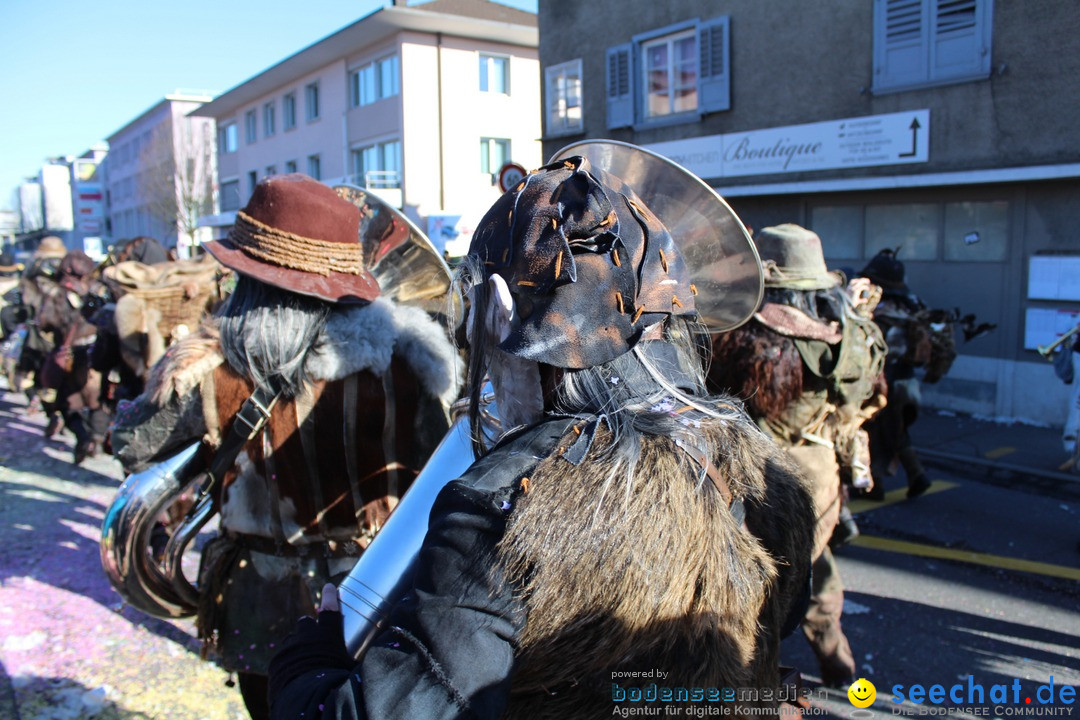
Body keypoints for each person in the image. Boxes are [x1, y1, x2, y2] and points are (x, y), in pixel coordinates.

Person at [267, 154, 816, 718]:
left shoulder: (505, 504)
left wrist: (305, 663)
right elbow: (782, 613)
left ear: (500, 312)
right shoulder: (767, 466)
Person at [109, 174, 462, 720]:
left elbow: (130, 444)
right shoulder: (411, 363)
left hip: (259, 605)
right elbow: (438, 473)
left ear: (250, 279)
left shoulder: (207, 369)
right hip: (377, 592)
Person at [708, 224, 888, 688]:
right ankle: (837, 664)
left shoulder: (732, 334)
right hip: (815, 477)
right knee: (812, 568)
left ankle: (749, 678)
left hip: (739, 473)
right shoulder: (844, 338)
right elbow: (860, 404)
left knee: (744, 584)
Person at [858, 248, 952, 499]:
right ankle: (916, 475)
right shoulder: (912, 306)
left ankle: (874, 485)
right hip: (909, 381)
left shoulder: (877, 311)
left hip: (886, 382)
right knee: (897, 431)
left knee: (873, 430)